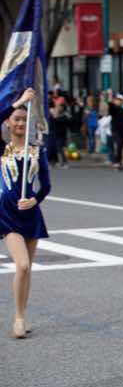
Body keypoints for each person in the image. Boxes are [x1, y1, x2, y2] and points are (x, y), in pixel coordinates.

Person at [2, 89, 51, 338]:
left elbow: (46, 185)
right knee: (21, 265)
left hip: (31, 214)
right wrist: (20, 102)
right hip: (7, 214)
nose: (20, 123)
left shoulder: (37, 151)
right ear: (8, 122)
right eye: (16, 119)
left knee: (27, 269)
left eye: (24, 119)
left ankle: (21, 315)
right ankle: (18, 319)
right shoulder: (3, 149)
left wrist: (35, 199)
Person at [109, 93, 123, 170]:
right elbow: (110, 106)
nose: (118, 101)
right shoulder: (114, 109)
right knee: (118, 146)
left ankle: (119, 162)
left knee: (121, 147)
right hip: (116, 130)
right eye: (117, 100)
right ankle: (117, 162)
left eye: (120, 100)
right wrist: (110, 97)